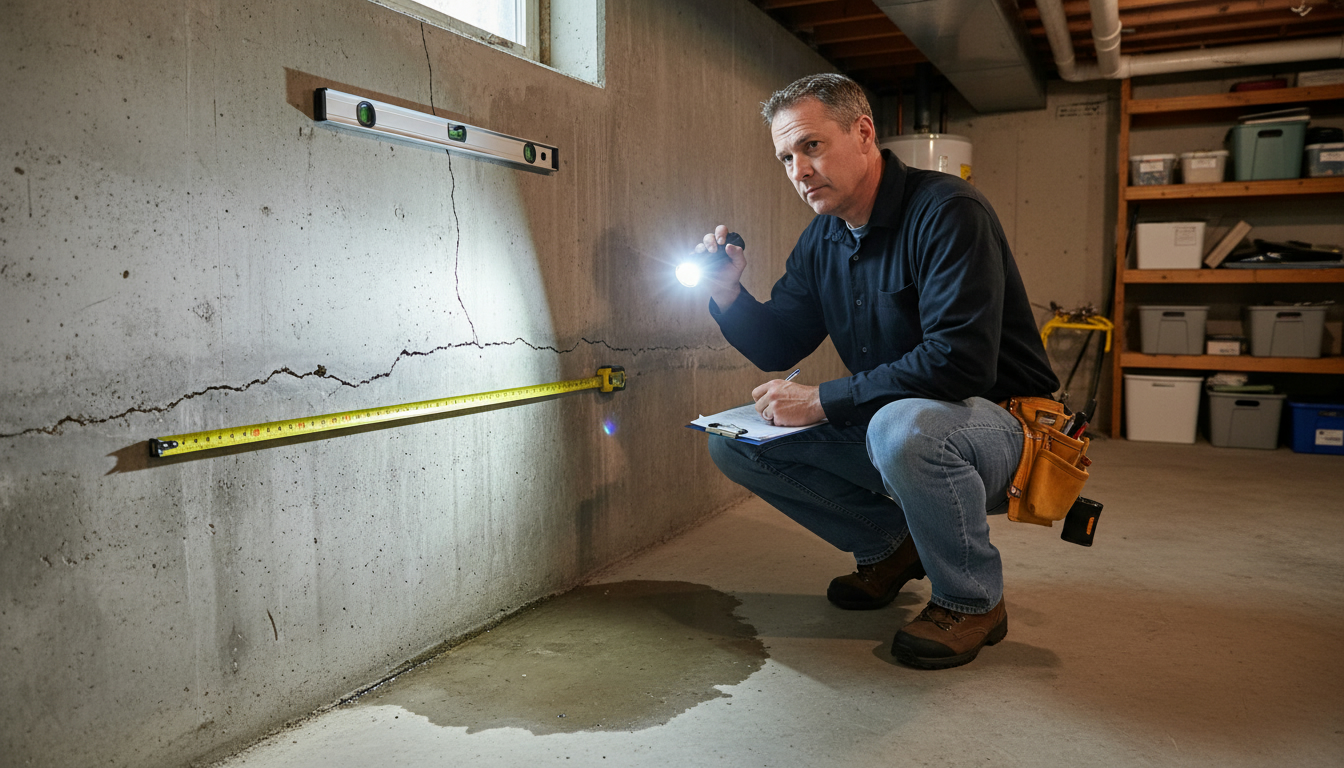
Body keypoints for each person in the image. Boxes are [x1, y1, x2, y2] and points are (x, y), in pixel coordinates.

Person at [695, 73, 1059, 670]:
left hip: (1005, 428)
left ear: (863, 133)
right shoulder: (823, 239)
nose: (799, 170)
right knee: (735, 442)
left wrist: (820, 401)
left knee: (903, 429)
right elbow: (780, 342)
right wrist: (729, 295)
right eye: (786, 157)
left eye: (811, 146)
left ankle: (972, 601)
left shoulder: (947, 212)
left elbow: (959, 361)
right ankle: (890, 547)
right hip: (900, 420)